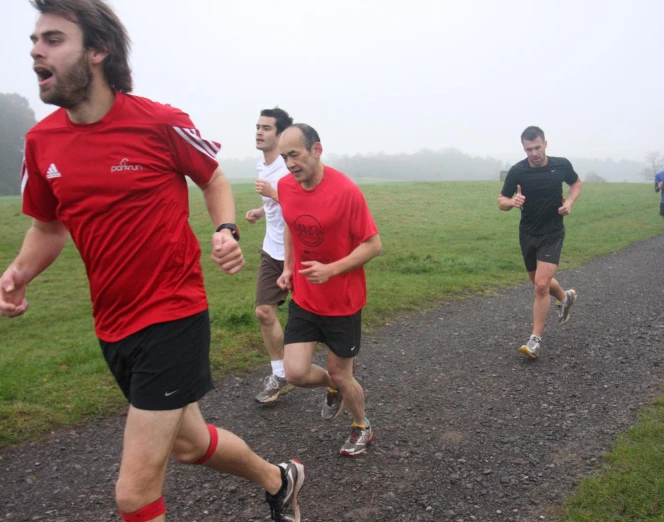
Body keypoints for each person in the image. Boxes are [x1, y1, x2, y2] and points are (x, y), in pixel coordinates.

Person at [1, 2, 303, 521]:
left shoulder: (159, 122)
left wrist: (226, 229)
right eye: (34, 39)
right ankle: (280, 479)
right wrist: (20, 271)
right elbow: (48, 226)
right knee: (187, 444)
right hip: (112, 324)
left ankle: (278, 481)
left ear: (98, 51)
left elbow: (211, 177)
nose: (34, 50)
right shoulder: (40, 141)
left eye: (52, 39)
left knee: (134, 494)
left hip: (171, 313)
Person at [275, 123, 382, 456]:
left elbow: (374, 245)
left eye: (294, 154)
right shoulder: (285, 186)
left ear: (316, 150)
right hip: (305, 298)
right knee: (294, 372)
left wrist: (332, 269)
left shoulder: (346, 191)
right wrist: (288, 267)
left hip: (342, 302)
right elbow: (292, 226)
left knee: (341, 372)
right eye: (284, 157)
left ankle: (362, 426)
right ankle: (330, 387)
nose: (290, 163)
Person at [498, 126, 582, 359]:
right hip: (527, 232)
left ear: (545, 144)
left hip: (552, 231)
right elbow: (501, 201)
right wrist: (512, 201)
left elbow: (576, 183)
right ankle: (566, 298)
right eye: (528, 149)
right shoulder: (517, 171)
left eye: (537, 147)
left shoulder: (560, 165)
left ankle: (534, 340)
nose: (533, 153)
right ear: (523, 148)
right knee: (538, 282)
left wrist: (571, 202)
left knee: (541, 285)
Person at [245, 107, 297, 404]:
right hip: (272, 249)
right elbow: (276, 204)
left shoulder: (289, 165)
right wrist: (261, 209)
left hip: (299, 251)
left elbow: (301, 203)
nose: (259, 132)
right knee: (264, 311)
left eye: (266, 128)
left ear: (280, 135)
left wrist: (274, 195)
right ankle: (280, 373)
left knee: (316, 319)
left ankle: (337, 374)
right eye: (257, 126)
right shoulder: (261, 165)